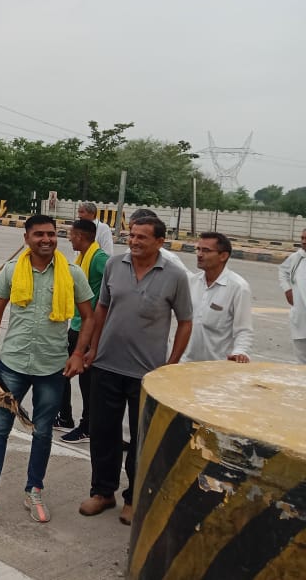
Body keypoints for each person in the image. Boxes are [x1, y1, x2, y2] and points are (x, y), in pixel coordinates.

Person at [0, 215, 93, 525]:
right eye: (39, 234)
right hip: (13, 365)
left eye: (51, 234)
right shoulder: (12, 270)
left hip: (52, 367)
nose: (46, 239)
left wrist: (78, 353)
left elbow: (89, 317)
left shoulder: (72, 273)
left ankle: (33, 490)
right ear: (27, 238)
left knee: (43, 431)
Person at [76, 216, 193, 526]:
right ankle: (103, 492)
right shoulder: (115, 265)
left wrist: (172, 363)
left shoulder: (175, 276)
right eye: (132, 235)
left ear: (159, 242)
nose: (135, 241)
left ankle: (133, 498)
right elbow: (101, 310)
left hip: (148, 375)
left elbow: (185, 321)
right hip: (106, 365)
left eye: (143, 237)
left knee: (142, 439)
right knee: (103, 433)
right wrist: (91, 349)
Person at [56, 218, 109, 444]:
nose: (69, 239)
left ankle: (87, 425)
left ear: (80, 236)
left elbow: (113, 285)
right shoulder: (81, 258)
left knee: (86, 382)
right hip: (76, 325)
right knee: (62, 371)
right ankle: (65, 416)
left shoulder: (99, 259)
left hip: (88, 328)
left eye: (71, 235)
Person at [181, 232, 252, 363]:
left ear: (223, 256)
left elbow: (243, 329)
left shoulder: (238, 287)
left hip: (217, 368)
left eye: (206, 250)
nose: (199, 255)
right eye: (198, 249)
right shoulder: (192, 282)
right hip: (185, 364)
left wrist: (240, 352)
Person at [278, 228, 306, 364]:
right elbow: (282, 271)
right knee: (301, 361)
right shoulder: (297, 257)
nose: (303, 242)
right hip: (300, 317)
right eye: (302, 238)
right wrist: (287, 290)